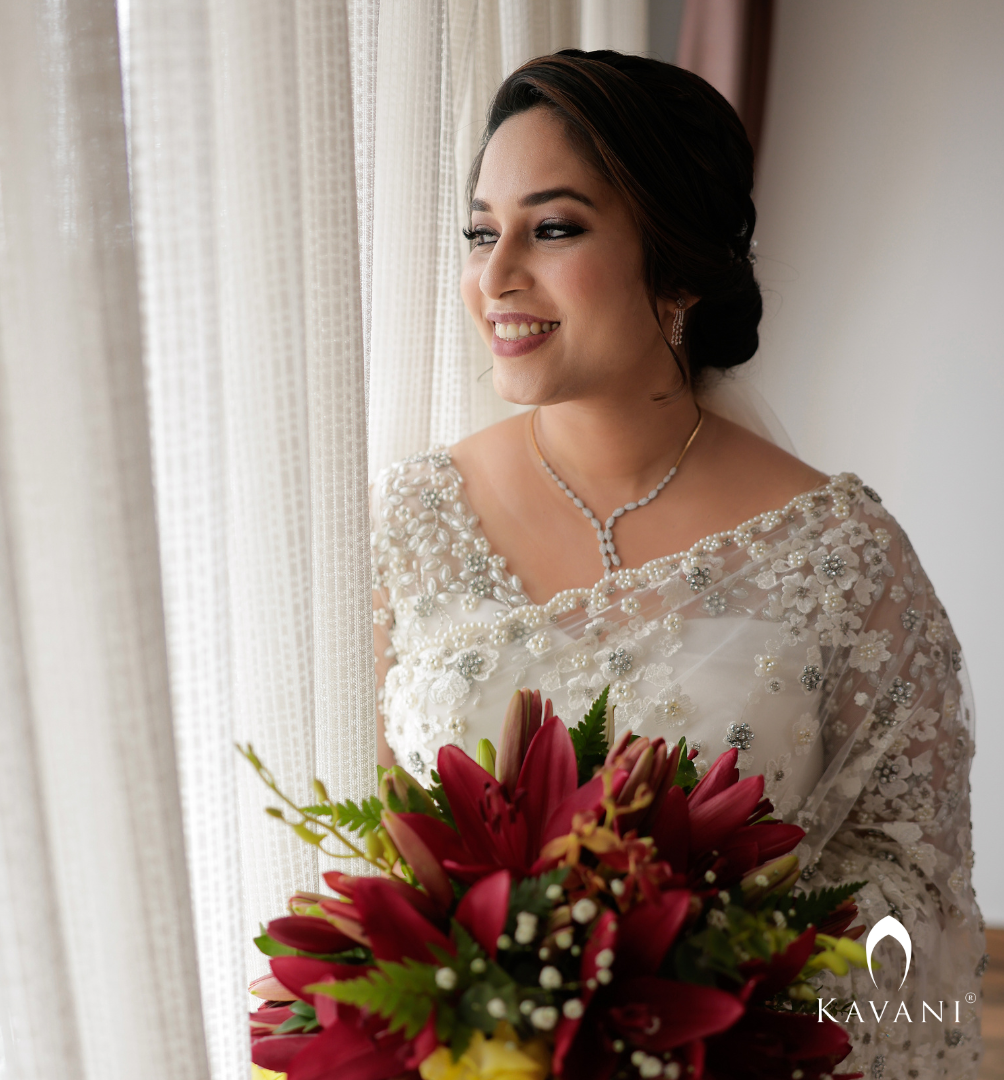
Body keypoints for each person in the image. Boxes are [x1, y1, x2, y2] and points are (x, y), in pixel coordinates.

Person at [370, 51, 986, 1077]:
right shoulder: (417, 518)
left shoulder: (840, 556)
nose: (495, 276)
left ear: (680, 262)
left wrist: (708, 1012)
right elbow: (378, 852)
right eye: (482, 231)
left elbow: (910, 883)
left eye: (553, 228)